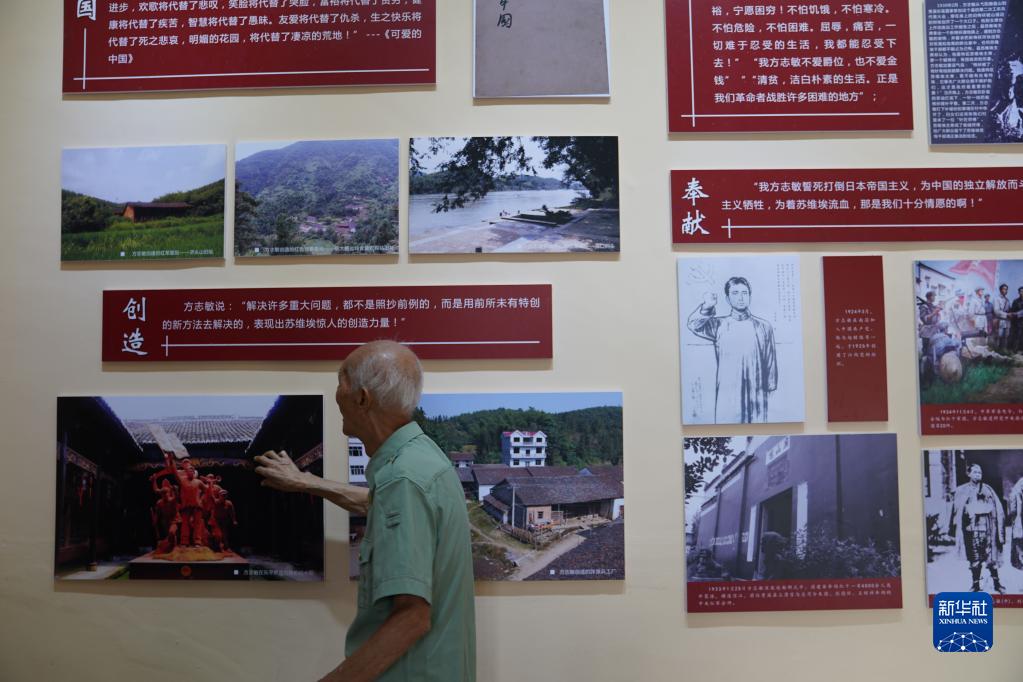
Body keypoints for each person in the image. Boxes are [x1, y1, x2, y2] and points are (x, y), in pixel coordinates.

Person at [255, 340, 475, 682]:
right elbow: (379, 504)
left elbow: (412, 618)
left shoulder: (402, 478)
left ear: (362, 398)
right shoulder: (422, 459)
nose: (336, 394)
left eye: (340, 382)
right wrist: (304, 482)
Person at [687, 276, 777, 423]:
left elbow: (770, 361)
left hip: (757, 392)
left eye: (744, 293)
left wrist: (770, 386)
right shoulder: (719, 325)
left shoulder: (764, 326)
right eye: (735, 293)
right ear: (727, 299)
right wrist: (707, 306)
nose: (741, 298)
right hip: (727, 393)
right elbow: (693, 325)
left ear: (750, 296)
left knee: (757, 426)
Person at [948, 463, 1006, 594]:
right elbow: (956, 510)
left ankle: (997, 584)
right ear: (968, 474)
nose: (978, 474)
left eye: (980, 472)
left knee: (991, 558)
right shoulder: (961, 491)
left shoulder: (988, 489)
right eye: (975, 472)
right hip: (971, 530)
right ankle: (975, 585)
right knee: (974, 558)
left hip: (988, 529)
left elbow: (998, 509)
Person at [993, 284, 1012, 352]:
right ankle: (996, 351)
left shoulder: (1007, 300)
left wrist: (1011, 313)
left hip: (1006, 321)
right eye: (1004, 289)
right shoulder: (997, 299)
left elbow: (1009, 309)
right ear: (1000, 290)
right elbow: (996, 311)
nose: (1005, 290)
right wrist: (1007, 314)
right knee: (999, 336)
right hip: (999, 320)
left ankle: (1003, 350)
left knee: (1006, 336)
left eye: (1006, 289)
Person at [1010, 286, 1023, 352]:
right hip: (1018, 322)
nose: (1022, 293)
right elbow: (1012, 311)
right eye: (1021, 291)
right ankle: (1015, 350)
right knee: (1017, 335)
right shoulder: (1015, 301)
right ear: (1018, 292)